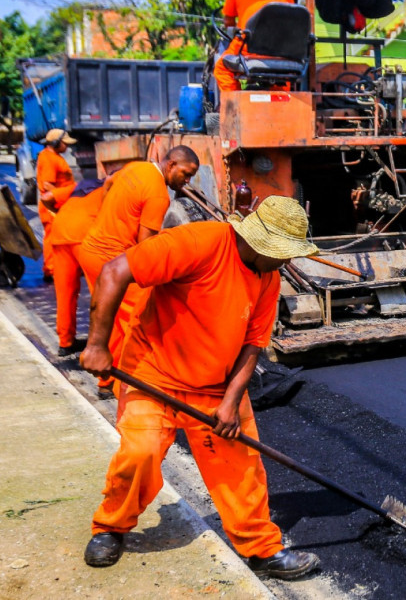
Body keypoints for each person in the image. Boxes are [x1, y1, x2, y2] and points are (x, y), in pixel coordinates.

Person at [78, 196, 321, 580]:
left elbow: (252, 345)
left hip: (214, 385)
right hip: (152, 372)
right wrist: (96, 344)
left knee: (240, 468)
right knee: (139, 454)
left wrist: (230, 401)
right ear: (259, 242)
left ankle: (262, 549)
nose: (287, 262)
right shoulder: (198, 243)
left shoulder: (268, 278)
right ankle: (110, 527)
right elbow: (114, 271)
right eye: (283, 253)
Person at [77, 147, 199, 398]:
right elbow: (146, 248)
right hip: (112, 258)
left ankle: (105, 381)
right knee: (141, 320)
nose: (187, 181)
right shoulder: (158, 195)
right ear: (172, 164)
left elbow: (109, 182)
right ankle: (132, 387)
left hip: (90, 250)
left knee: (106, 314)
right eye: (186, 174)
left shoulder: (137, 167)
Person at [213, 0, 295, 95]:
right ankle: (279, 104)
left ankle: (236, 108)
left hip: (247, 49)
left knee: (222, 69)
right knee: (283, 74)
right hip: (279, 52)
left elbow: (228, 22)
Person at [47, 177, 111, 356]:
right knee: (101, 291)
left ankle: (65, 342)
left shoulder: (80, 186)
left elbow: (46, 198)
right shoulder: (111, 190)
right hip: (83, 235)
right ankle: (103, 344)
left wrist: (58, 212)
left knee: (65, 292)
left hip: (59, 230)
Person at [36, 128, 78, 282]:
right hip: (52, 206)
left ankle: (62, 267)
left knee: (59, 236)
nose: (67, 146)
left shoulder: (54, 156)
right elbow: (47, 185)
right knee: (52, 238)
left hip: (58, 204)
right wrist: (62, 198)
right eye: (64, 143)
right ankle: (51, 270)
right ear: (55, 143)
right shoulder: (48, 159)